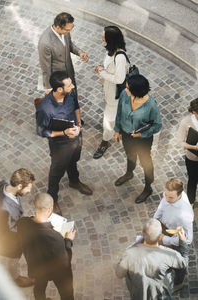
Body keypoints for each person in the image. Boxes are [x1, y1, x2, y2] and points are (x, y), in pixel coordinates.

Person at [36, 71, 92, 215]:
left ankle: (74, 181)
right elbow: (42, 131)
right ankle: (53, 198)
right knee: (56, 172)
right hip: (59, 144)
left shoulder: (70, 94)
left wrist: (79, 124)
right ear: (59, 89)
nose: (73, 86)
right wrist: (64, 133)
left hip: (76, 138)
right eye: (69, 85)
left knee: (73, 161)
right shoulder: (45, 108)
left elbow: (76, 108)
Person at [17, 193, 76, 300]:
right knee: (67, 294)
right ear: (50, 209)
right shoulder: (55, 237)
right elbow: (66, 261)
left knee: (39, 289)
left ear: (35, 206)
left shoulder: (22, 223)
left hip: (36, 268)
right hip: (56, 271)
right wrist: (68, 240)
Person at [114, 74, 162, 203]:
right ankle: (129, 173)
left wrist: (142, 134)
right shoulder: (125, 95)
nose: (125, 89)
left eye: (128, 88)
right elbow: (119, 112)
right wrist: (116, 129)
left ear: (137, 90)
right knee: (130, 155)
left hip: (143, 140)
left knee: (146, 162)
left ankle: (148, 187)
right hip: (126, 134)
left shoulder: (151, 105)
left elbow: (157, 125)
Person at [116, 219, 189, 300]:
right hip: (162, 296)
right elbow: (184, 263)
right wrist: (182, 241)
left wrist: (123, 258)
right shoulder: (169, 254)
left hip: (138, 295)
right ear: (160, 237)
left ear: (142, 233)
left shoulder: (129, 253)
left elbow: (119, 274)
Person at [93, 26, 127, 159]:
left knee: (108, 120)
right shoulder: (110, 51)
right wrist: (102, 69)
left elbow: (119, 79)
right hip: (108, 91)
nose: (102, 39)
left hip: (114, 94)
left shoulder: (119, 57)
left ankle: (105, 141)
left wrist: (102, 72)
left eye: (104, 37)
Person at [0, 168, 35, 287]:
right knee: (11, 262)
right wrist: (28, 225)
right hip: (9, 244)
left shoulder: (5, 183)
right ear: (19, 186)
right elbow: (9, 232)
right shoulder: (5, 209)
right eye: (28, 188)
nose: (30, 190)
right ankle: (15, 279)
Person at [38, 12, 88, 95]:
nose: (69, 32)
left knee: (73, 99)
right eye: (67, 30)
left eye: (71, 28)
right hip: (58, 80)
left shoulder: (65, 32)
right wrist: (48, 88)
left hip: (69, 74)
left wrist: (80, 52)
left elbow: (69, 44)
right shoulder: (45, 43)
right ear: (58, 27)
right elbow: (45, 68)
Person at [154, 178, 194, 247]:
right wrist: (154, 220)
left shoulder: (185, 216)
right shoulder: (169, 195)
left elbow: (187, 239)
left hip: (174, 238)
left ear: (180, 195)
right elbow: (161, 207)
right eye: (165, 195)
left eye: (171, 198)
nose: (166, 199)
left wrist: (165, 239)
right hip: (164, 226)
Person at [177, 98, 198, 206]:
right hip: (193, 158)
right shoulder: (186, 122)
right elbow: (180, 142)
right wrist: (194, 147)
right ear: (194, 112)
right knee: (192, 180)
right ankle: (191, 202)